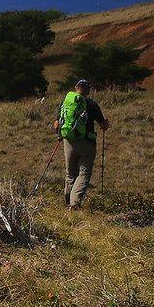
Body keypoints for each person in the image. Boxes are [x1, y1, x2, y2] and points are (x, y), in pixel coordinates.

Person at [60, 79, 110, 210]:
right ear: (88, 91)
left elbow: (56, 125)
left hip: (69, 142)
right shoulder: (91, 104)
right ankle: (74, 203)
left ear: (76, 88)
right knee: (84, 174)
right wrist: (106, 124)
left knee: (70, 173)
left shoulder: (66, 102)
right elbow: (103, 125)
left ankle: (67, 199)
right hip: (87, 143)